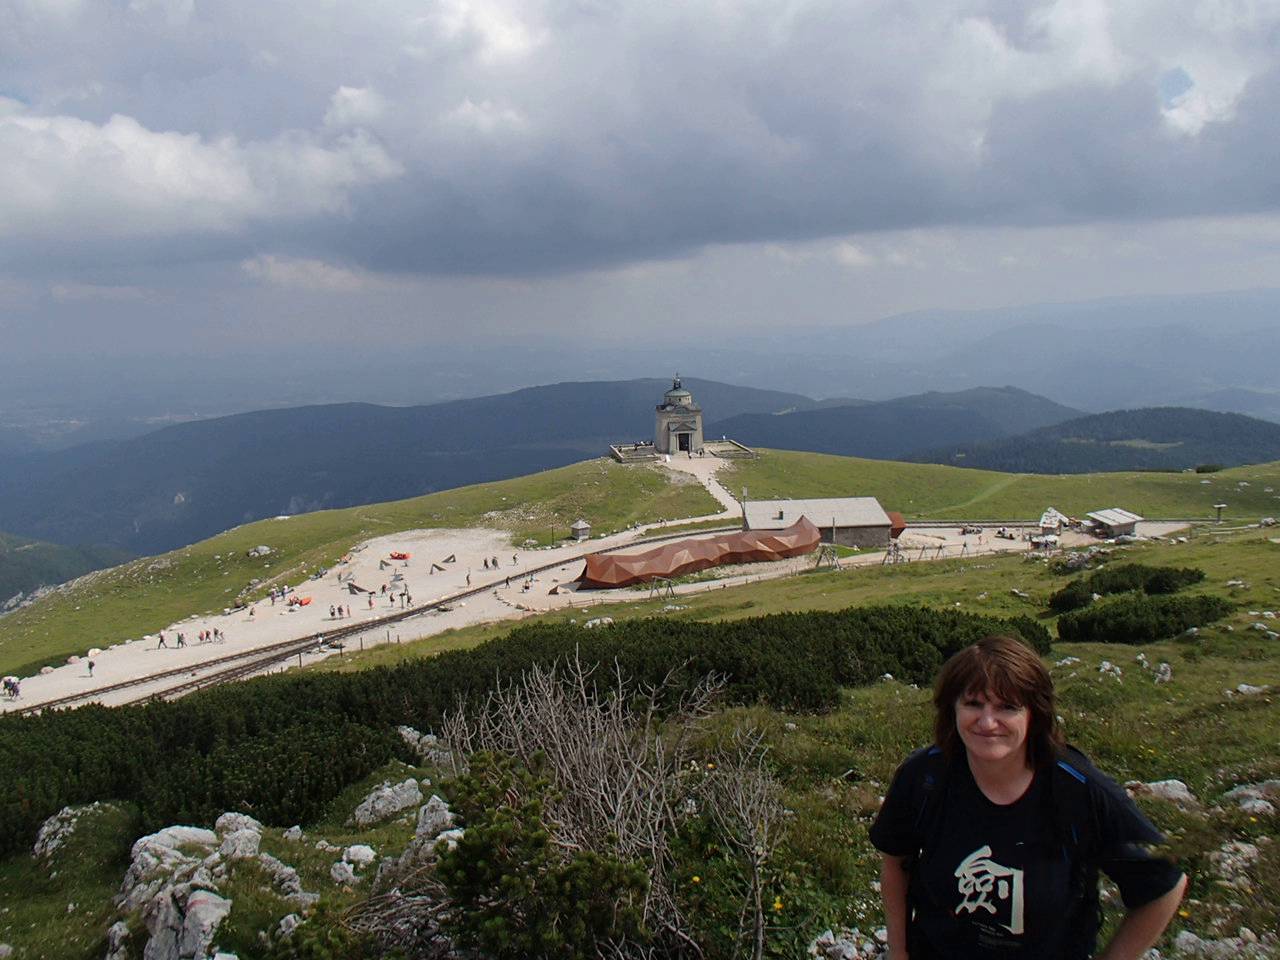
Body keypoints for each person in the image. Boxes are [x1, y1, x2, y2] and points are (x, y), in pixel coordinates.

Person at [870, 635, 1186, 960]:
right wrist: (898, 950)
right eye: (973, 703)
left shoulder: (1079, 791)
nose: (987, 722)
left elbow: (1163, 886)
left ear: (1035, 713)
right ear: (952, 708)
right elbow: (896, 861)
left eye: (1007, 707)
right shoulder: (925, 776)